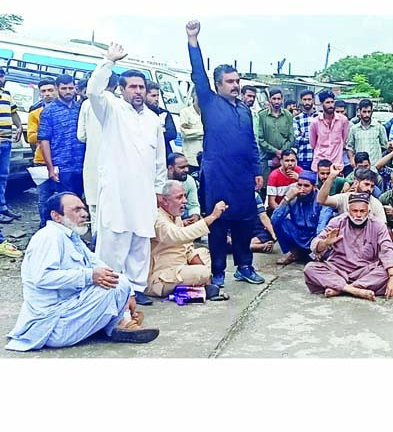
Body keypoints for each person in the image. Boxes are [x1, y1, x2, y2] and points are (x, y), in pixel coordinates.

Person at [5, 193, 159, 351]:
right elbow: (42, 277)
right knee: (113, 286)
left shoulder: (72, 238)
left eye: (84, 209)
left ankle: (120, 322)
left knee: (118, 281)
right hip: (53, 325)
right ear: (56, 216)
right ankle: (120, 323)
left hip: (70, 311)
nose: (84, 214)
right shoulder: (49, 237)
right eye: (77, 210)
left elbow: (100, 266)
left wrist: (129, 294)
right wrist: (89, 276)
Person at [186, 20, 264, 287]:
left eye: (237, 81)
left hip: (243, 177)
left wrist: (257, 172)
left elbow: (251, 143)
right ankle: (218, 272)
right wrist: (193, 41)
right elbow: (198, 75)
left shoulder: (245, 110)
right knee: (218, 224)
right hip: (217, 175)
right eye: (230, 81)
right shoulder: (209, 103)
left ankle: (245, 266)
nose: (235, 85)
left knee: (244, 222)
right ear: (218, 85)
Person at [88, 43, 167, 306]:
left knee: (140, 241)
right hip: (117, 191)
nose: (138, 91)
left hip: (144, 193)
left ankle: (136, 288)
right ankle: (110, 288)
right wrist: (108, 61)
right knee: (114, 240)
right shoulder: (110, 109)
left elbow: (159, 160)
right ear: (122, 90)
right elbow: (93, 91)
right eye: (132, 87)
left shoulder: (153, 119)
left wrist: (158, 189)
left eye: (141, 87)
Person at [303, 193, 393, 301]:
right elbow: (315, 246)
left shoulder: (378, 226)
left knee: (386, 273)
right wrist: (325, 243)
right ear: (349, 211)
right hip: (338, 269)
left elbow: (388, 250)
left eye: (362, 211)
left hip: (365, 271)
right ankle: (354, 290)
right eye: (355, 211)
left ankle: (340, 288)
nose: (358, 215)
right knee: (310, 269)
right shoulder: (337, 222)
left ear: (368, 211)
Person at [147, 180, 228, 298]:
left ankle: (199, 283)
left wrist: (204, 272)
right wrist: (212, 217)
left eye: (184, 196)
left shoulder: (175, 215)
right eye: (179, 197)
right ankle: (197, 284)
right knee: (202, 272)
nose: (185, 201)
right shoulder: (158, 219)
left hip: (181, 266)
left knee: (204, 253)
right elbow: (180, 235)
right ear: (164, 200)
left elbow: (187, 247)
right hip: (162, 277)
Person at [36, 74, 86, 228]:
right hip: (61, 166)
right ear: (58, 89)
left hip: (81, 165)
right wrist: (50, 168)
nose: (68, 91)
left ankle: (77, 233)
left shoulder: (82, 109)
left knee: (79, 201)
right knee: (65, 203)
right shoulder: (49, 112)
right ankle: (57, 232)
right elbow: (44, 140)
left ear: (75, 89)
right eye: (64, 88)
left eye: (71, 88)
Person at [77, 71, 118, 223]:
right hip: (115, 163)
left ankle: (96, 243)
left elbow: (81, 136)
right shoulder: (122, 105)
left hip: (92, 161)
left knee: (94, 208)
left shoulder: (86, 104)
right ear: (116, 85)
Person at [272, 170, 334, 265]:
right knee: (280, 221)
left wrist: (317, 249)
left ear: (314, 187)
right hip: (298, 234)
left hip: (315, 237)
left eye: (306, 186)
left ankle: (317, 255)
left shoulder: (323, 200)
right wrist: (286, 199)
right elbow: (274, 219)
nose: (302, 189)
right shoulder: (294, 197)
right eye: (299, 185)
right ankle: (294, 253)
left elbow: (322, 227)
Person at [317, 164, 387, 223]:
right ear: (356, 183)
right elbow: (322, 200)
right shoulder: (344, 198)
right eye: (366, 184)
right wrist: (332, 176)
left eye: (372, 186)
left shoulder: (376, 204)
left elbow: (382, 227)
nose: (369, 189)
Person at [0, 68, 24, 222]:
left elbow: (13, 113)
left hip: (6, 142)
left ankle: (2, 208)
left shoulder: (6, 94)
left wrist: (20, 126)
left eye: (2, 76)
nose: (1, 78)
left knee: (3, 176)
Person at [257, 87, 295, 181]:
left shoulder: (288, 115)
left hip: (284, 157)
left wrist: (281, 153)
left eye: (279, 99)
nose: (276, 101)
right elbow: (260, 139)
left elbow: (291, 137)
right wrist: (275, 151)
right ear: (269, 100)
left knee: (283, 184)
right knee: (266, 185)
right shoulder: (262, 115)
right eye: (274, 99)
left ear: (282, 99)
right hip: (266, 157)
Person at [310, 90, 350, 172]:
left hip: (337, 163)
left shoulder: (343, 120)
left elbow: (344, 140)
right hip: (319, 163)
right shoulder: (315, 122)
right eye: (327, 102)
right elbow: (313, 144)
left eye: (332, 102)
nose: (331, 105)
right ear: (321, 104)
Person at [346, 99, 388, 169]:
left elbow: (384, 147)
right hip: (360, 167)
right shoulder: (354, 129)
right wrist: (353, 162)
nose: (367, 115)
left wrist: (380, 163)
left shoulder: (379, 127)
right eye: (364, 112)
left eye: (369, 112)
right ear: (359, 112)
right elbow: (350, 147)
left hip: (375, 168)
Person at [144, 80, 177, 158]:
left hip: (163, 153)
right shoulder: (137, 113)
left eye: (157, 95)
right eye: (153, 96)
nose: (156, 98)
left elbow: (172, 134)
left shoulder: (164, 114)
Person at [167, 153, 201, 225]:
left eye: (187, 166)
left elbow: (193, 205)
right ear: (170, 168)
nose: (187, 170)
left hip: (182, 213)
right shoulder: (160, 182)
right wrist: (180, 223)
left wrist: (195, 216)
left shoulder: (189, 180)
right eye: (182, 167)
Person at [27, 78, 57, 156]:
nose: (47, 94)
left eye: (50, 90)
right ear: (40, 94)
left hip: (63, 159)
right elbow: (31, 137)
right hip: (41, 158)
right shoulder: (34, 113)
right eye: (43, 91)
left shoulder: (67, 111)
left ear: (57, 91)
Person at [178, 89, 203, 172]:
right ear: (193, 96)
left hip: (205, 158)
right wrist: (205, 131)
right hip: (190, 159)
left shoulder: (208, 113)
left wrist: (194, 131)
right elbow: (185, 133)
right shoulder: (185, 112)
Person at [294, 89, 317, 171]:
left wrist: (304, 136)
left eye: (309, 99)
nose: (307, 102)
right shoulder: (297, 118)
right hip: (303, 158)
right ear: (301, 101)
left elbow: (324, 138)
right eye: (304, 99)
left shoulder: (321, 117)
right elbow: (296, 140)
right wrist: (315, 138)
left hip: (318, 158)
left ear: (313, 100)